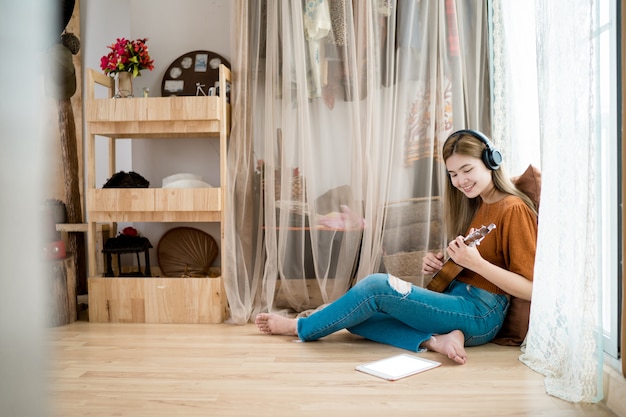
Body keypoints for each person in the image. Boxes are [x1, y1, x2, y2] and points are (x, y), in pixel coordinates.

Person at [255, 130, 538, 365]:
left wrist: (475, 263)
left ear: (491, 162)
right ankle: (435, 340)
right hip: (458, 298)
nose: (461, 181)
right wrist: (447, 265)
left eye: (467, 170)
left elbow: (530, 288)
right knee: (354, 315)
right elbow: (473, 263)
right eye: (453, 174)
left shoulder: (513, 209)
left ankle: (300, 327)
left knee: (375, 287)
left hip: (482, 313)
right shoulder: (477, 205)